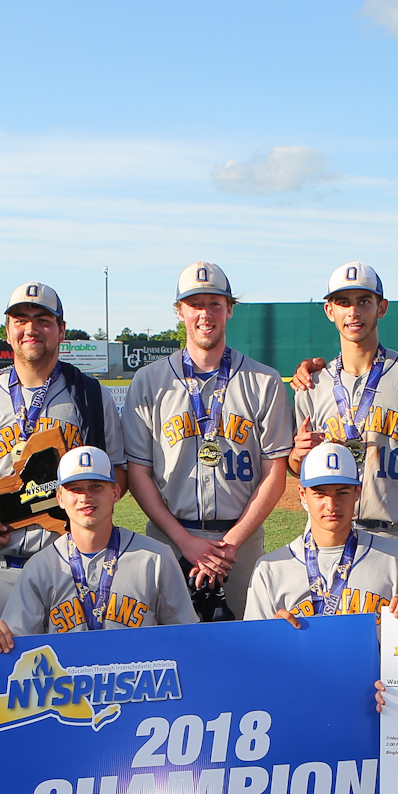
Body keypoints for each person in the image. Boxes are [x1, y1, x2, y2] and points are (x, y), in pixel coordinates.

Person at [0, 447, 199, 794]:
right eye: (75, 489)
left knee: (150, 766)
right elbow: (18, 646)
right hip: (75, 717)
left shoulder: (155, 558)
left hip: (142, 714)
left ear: (115, 492)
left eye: (96, 487)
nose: (86, 498)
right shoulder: (42, 567)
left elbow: (189, 641)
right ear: (59, 497)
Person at [244, 444, 398, 794]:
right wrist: (271, 638)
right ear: (301, 495)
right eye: (320, 493)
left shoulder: (394, 556)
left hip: (379, 707)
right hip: (311, 718)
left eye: (342, 493)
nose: (331, 505)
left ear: (358, 495)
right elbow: (252, 665)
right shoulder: (271, 568)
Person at [0, 281, 125, 629]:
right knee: (1, 677)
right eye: (20, 320)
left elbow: (118, 473)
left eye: (42, 319)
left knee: (72, 674)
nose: (31, 329)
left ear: (60, 330)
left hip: (69, 564)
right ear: (8, 330)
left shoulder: (88, 396)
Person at [121, 262, 294, 622]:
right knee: (171, 654)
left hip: (241, 543)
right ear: (180, 311)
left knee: (245, 652)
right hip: (168, 540)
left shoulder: (264, 381)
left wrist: (231, 543)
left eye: (215, 303)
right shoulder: (149, 381)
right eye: (195, 303)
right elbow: (138, 472)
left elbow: (275, 472)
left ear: (230, 309)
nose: (205, 314)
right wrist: (183, 541)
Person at [285, 263, 398, 591]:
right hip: (329, 536)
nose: (354, 311)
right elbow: (297, 468)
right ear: (329, 311)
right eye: (343, 302)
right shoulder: (311, 384)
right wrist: (298, 456)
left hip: (394, 535)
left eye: (364, 300)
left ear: (381, 307)